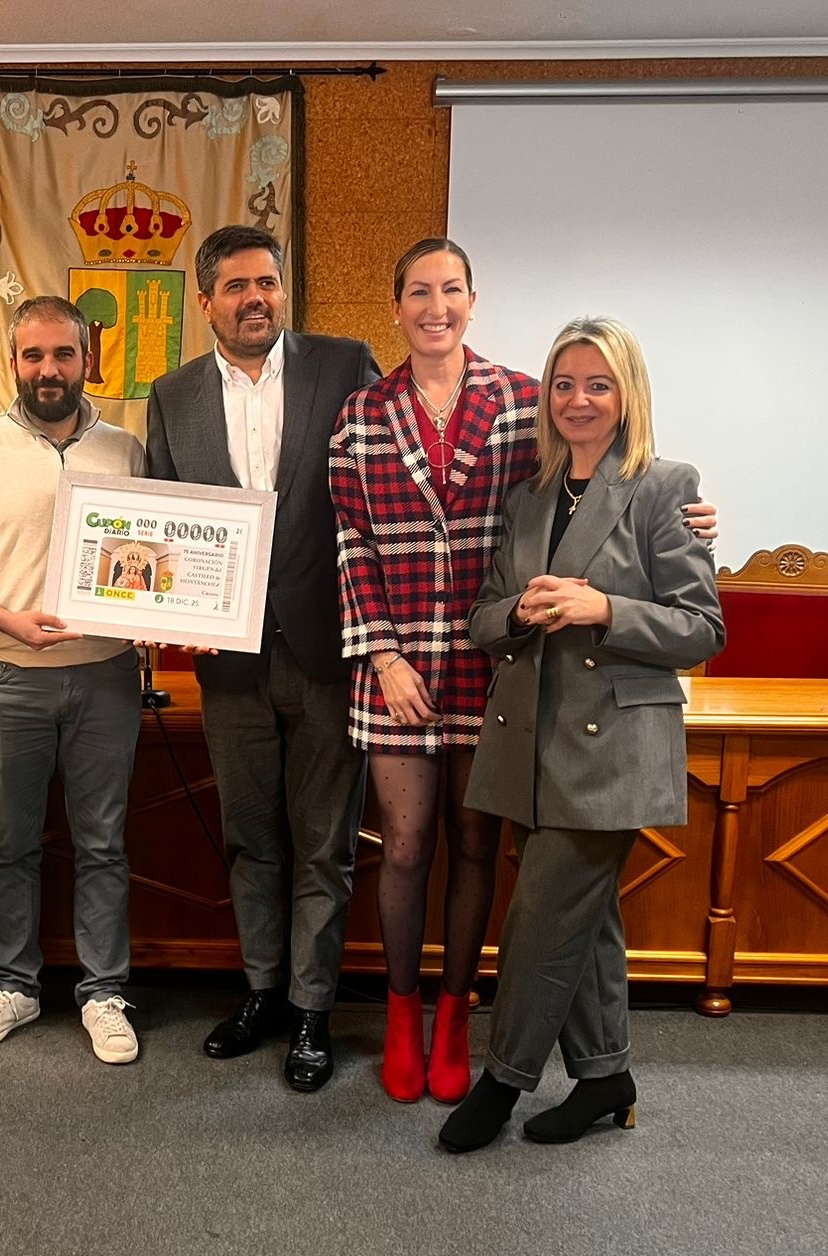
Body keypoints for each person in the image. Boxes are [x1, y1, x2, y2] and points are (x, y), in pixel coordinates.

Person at [330, 240, 720, 1106]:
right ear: (395, 306)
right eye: (418, 291)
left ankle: (456, 1019)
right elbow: (350, 543)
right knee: (404, 848)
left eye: (450, 289)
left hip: (497, 671)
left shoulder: (516, 401)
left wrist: (689, 516)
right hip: (399, 661)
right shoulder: (361, 413)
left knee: (478, 847)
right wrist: (381, 653)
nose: (435, 306)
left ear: (472, 301)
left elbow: (612, 492)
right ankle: (402, 1016)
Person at [438, 316, 724, 1153]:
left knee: (540, 914)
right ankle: (604, 1077)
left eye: (597, 384)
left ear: (626, 394)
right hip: (528, 740)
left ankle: (502, 1080)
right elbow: (481, 617)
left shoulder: (665, 487)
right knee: (581, 918)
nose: (578, 400)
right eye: (563, 384)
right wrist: (515, 613)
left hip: (610, 748)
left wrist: (605, 609)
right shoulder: (528, 495)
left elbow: (701, 630)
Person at [145, 225, 377, 1092]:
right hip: (229, 663)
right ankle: (262, 993)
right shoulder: (171, 396)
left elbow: (393, 476)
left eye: (268, 283)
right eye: (237, 286)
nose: (256, 299)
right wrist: (172, 610)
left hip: (326, 650)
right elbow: (163, 521)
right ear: (205, 302)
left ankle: (313, 1011)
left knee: (323, 843)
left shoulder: (343, 365)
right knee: (249, 838)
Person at [0, 295, 146, 1066]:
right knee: (8, 843)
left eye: (63, 354)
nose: (48, 369)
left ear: (87, 359)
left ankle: (103, 992)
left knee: (103, 843)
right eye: (33, 355)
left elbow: (155, 561)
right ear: (11, 362)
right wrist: (5, 618)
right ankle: (15, 986)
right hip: (8, 677)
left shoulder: (125, 449)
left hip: (106, 677)